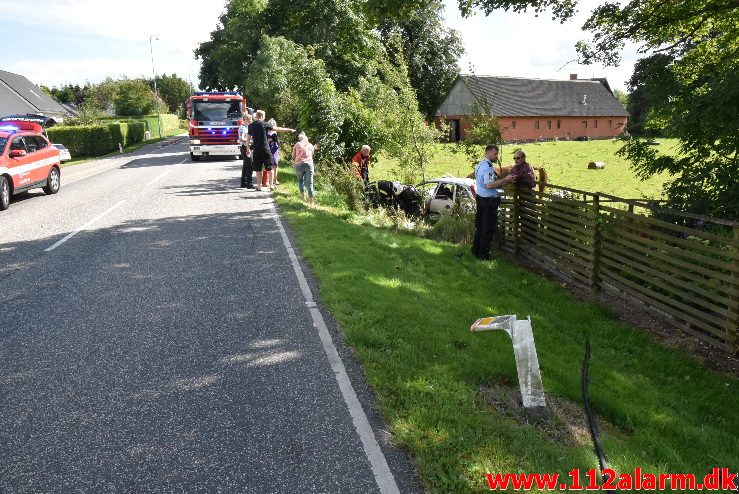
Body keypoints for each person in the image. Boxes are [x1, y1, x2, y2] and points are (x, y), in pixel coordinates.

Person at [471, 144, 516, 260]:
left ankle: (475, 252)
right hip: (488, 202)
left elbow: (489, 183)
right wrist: (505, 179)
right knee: (487, 229)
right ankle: (484, 256)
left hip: (481, 199)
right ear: (488, 153)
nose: (497, 156)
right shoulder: (488, 168)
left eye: (497, 154)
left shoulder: (480, 165)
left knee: (480, 227)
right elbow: (489, 185)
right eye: (495, 154)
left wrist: (503, 182)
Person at [244, 110, 295, 191]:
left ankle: (259, 186)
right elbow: (277, 129)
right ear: (263, 116)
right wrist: (289, 130)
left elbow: (248, 138)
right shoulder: (265, 124)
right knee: (270, 167)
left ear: (256, 116)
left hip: (256, 149)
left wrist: (247, 148)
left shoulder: (251, 126)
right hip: (265, 148)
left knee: (258, 169)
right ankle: (271, 185)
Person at [292, 132, 317, 204]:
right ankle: (311, 200)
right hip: (309, 164)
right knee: (310, 182)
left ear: (300, 139)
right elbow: (312, 154)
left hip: (299, 164)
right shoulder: (310, 145)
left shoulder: (297, 144)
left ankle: (303, 197)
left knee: (300, 181)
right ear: (306, 138)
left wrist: (298, 158)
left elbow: (293, 156)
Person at [238, 112, 254, 189]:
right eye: (250, 119)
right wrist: (250, 140)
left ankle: (243, 183)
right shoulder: (242, 128)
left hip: (248, 146)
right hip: (245, 147)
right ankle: (249, 183)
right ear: (245, 119)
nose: (251, 120)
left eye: (251, 119)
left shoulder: (248, 127)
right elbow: (241, 139)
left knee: (245, 166)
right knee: (250, 165)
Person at [267, 119, 281, 188]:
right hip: (269, 150)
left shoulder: (275, 132)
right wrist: (272, 139)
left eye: (274, 124)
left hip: (275, 150)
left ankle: (275, 179)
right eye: (271, 124)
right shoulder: (267, 132)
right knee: (269, 165)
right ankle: (269, 181)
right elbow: (266, 141)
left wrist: (278, 141)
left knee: (276, 164)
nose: (273, 125)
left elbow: (277, 141)